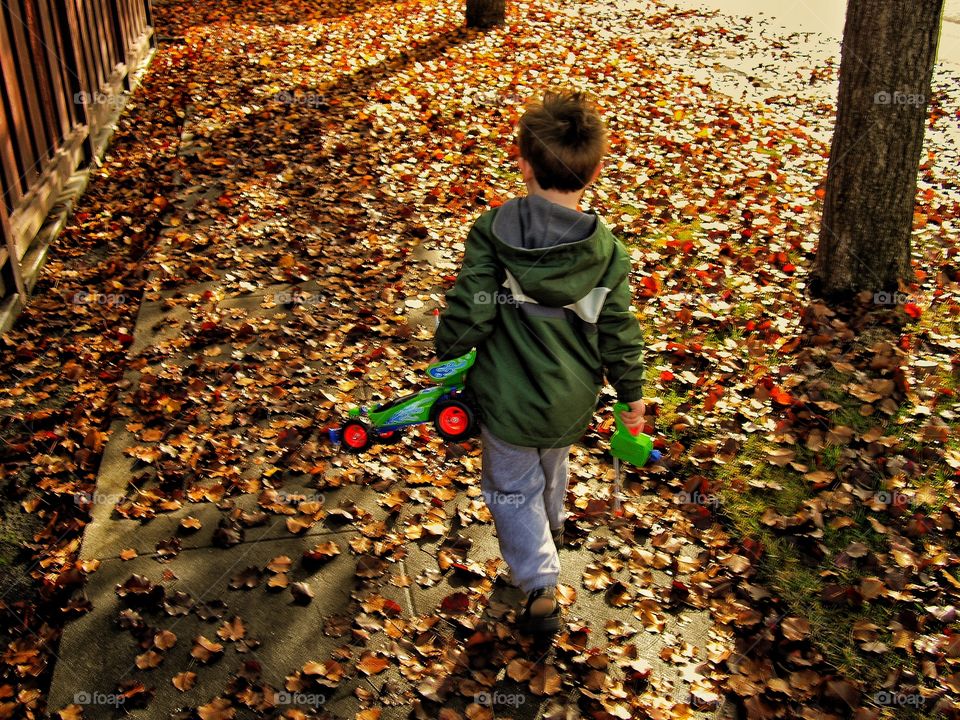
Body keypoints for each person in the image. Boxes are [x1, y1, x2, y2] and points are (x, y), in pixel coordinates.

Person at [434, 89, 647, 634]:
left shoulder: (493, 230)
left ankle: (538, 580)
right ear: (595, 170)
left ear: (522, 161)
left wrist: (449, 348)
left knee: (509, 488)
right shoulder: (609, 253)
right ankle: (547, 527)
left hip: (507, 398)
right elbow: (617, 328)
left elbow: (476, 308)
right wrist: (632, 394)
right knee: (553, 467)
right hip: (572, 397)